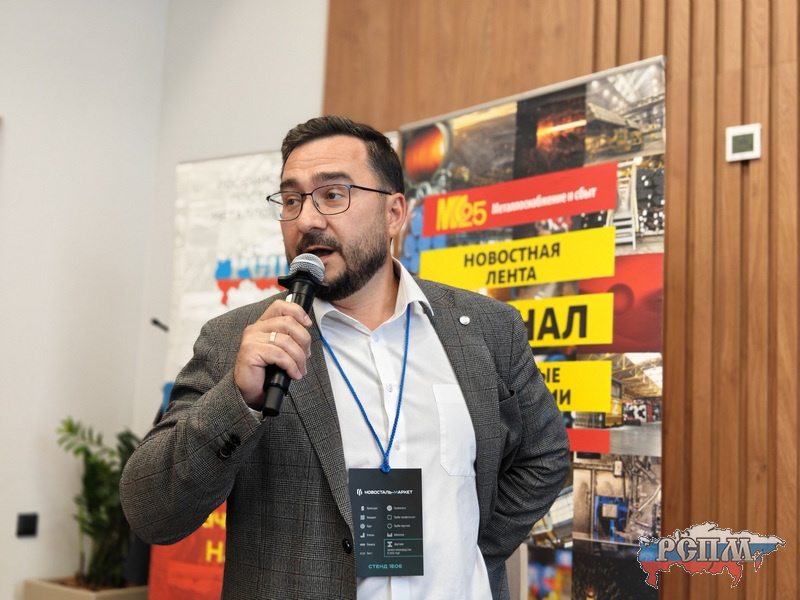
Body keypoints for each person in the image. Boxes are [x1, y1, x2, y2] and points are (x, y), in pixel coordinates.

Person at [121, 115, 570, 600]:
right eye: (292, 200)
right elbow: (150, 511)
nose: (307, 220)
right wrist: (238, 400)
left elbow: (544, 457)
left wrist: (474, 549)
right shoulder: (238, 340)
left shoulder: (485, 328)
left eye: (333, 195)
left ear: (394, 213)